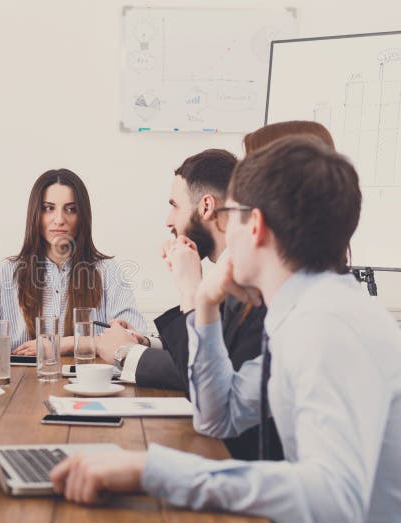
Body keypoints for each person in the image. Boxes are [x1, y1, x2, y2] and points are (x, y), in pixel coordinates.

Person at [51, 136, 401, 522]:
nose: (223, 230)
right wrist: (202, 305)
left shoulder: (327, 327)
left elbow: (333, 501)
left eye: (229, 216)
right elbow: (219, 416)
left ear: (255, 227)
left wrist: (154, 470)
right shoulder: (303, 314)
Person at [94, 149, 277, 461]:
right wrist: (144, 342)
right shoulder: (227, 275)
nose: (168, 220)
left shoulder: (255, 285)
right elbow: (213, 349)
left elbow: (212, 378)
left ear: (206, 206)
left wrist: (127, 353)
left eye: (174, 206)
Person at [0, 169, 146, 356]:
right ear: (36, 213)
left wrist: (67, 343)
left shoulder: (107, 271)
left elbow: (134, 338)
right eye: (48, 208)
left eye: (71, 209)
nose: (59, 220)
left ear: (82, 216)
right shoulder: (7, 271)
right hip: (20, 374)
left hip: (86, 375)